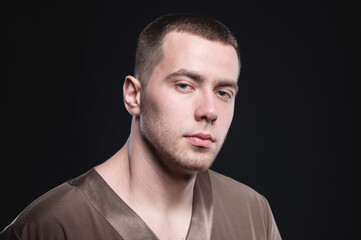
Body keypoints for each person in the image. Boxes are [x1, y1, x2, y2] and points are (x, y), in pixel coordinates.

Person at [0, 13, 281, 239]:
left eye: (223, 92)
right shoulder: (51, 226)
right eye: (185, 85)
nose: (209, 111)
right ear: (134, 95)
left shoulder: (252, 212)